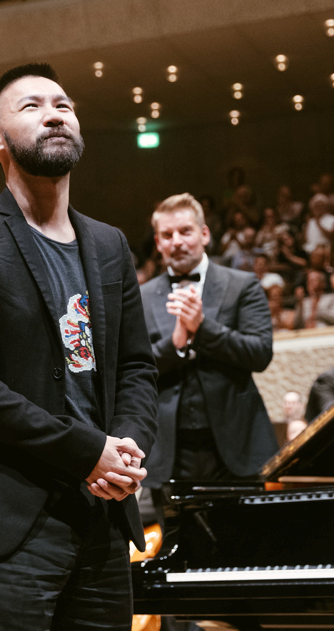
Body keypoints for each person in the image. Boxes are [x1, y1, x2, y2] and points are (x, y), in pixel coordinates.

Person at [0, 64, 157, 631]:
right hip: (11, 521)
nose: (54, 114)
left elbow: (136, 366)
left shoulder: (109, 244)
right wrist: (86, 451)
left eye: (64, 105)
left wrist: (125, 449)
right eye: (31, 107)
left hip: (102, 514)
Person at [140, 193, 277, 498]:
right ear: (158, 243)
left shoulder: (242, 285)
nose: (177, 241)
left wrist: (202, 328)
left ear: (204, 234)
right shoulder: (141, 296)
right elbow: (134, 368)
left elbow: (260, 353)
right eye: (167, 235)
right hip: (168, 454)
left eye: (185, 231)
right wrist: (175, 345)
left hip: (238, 446)